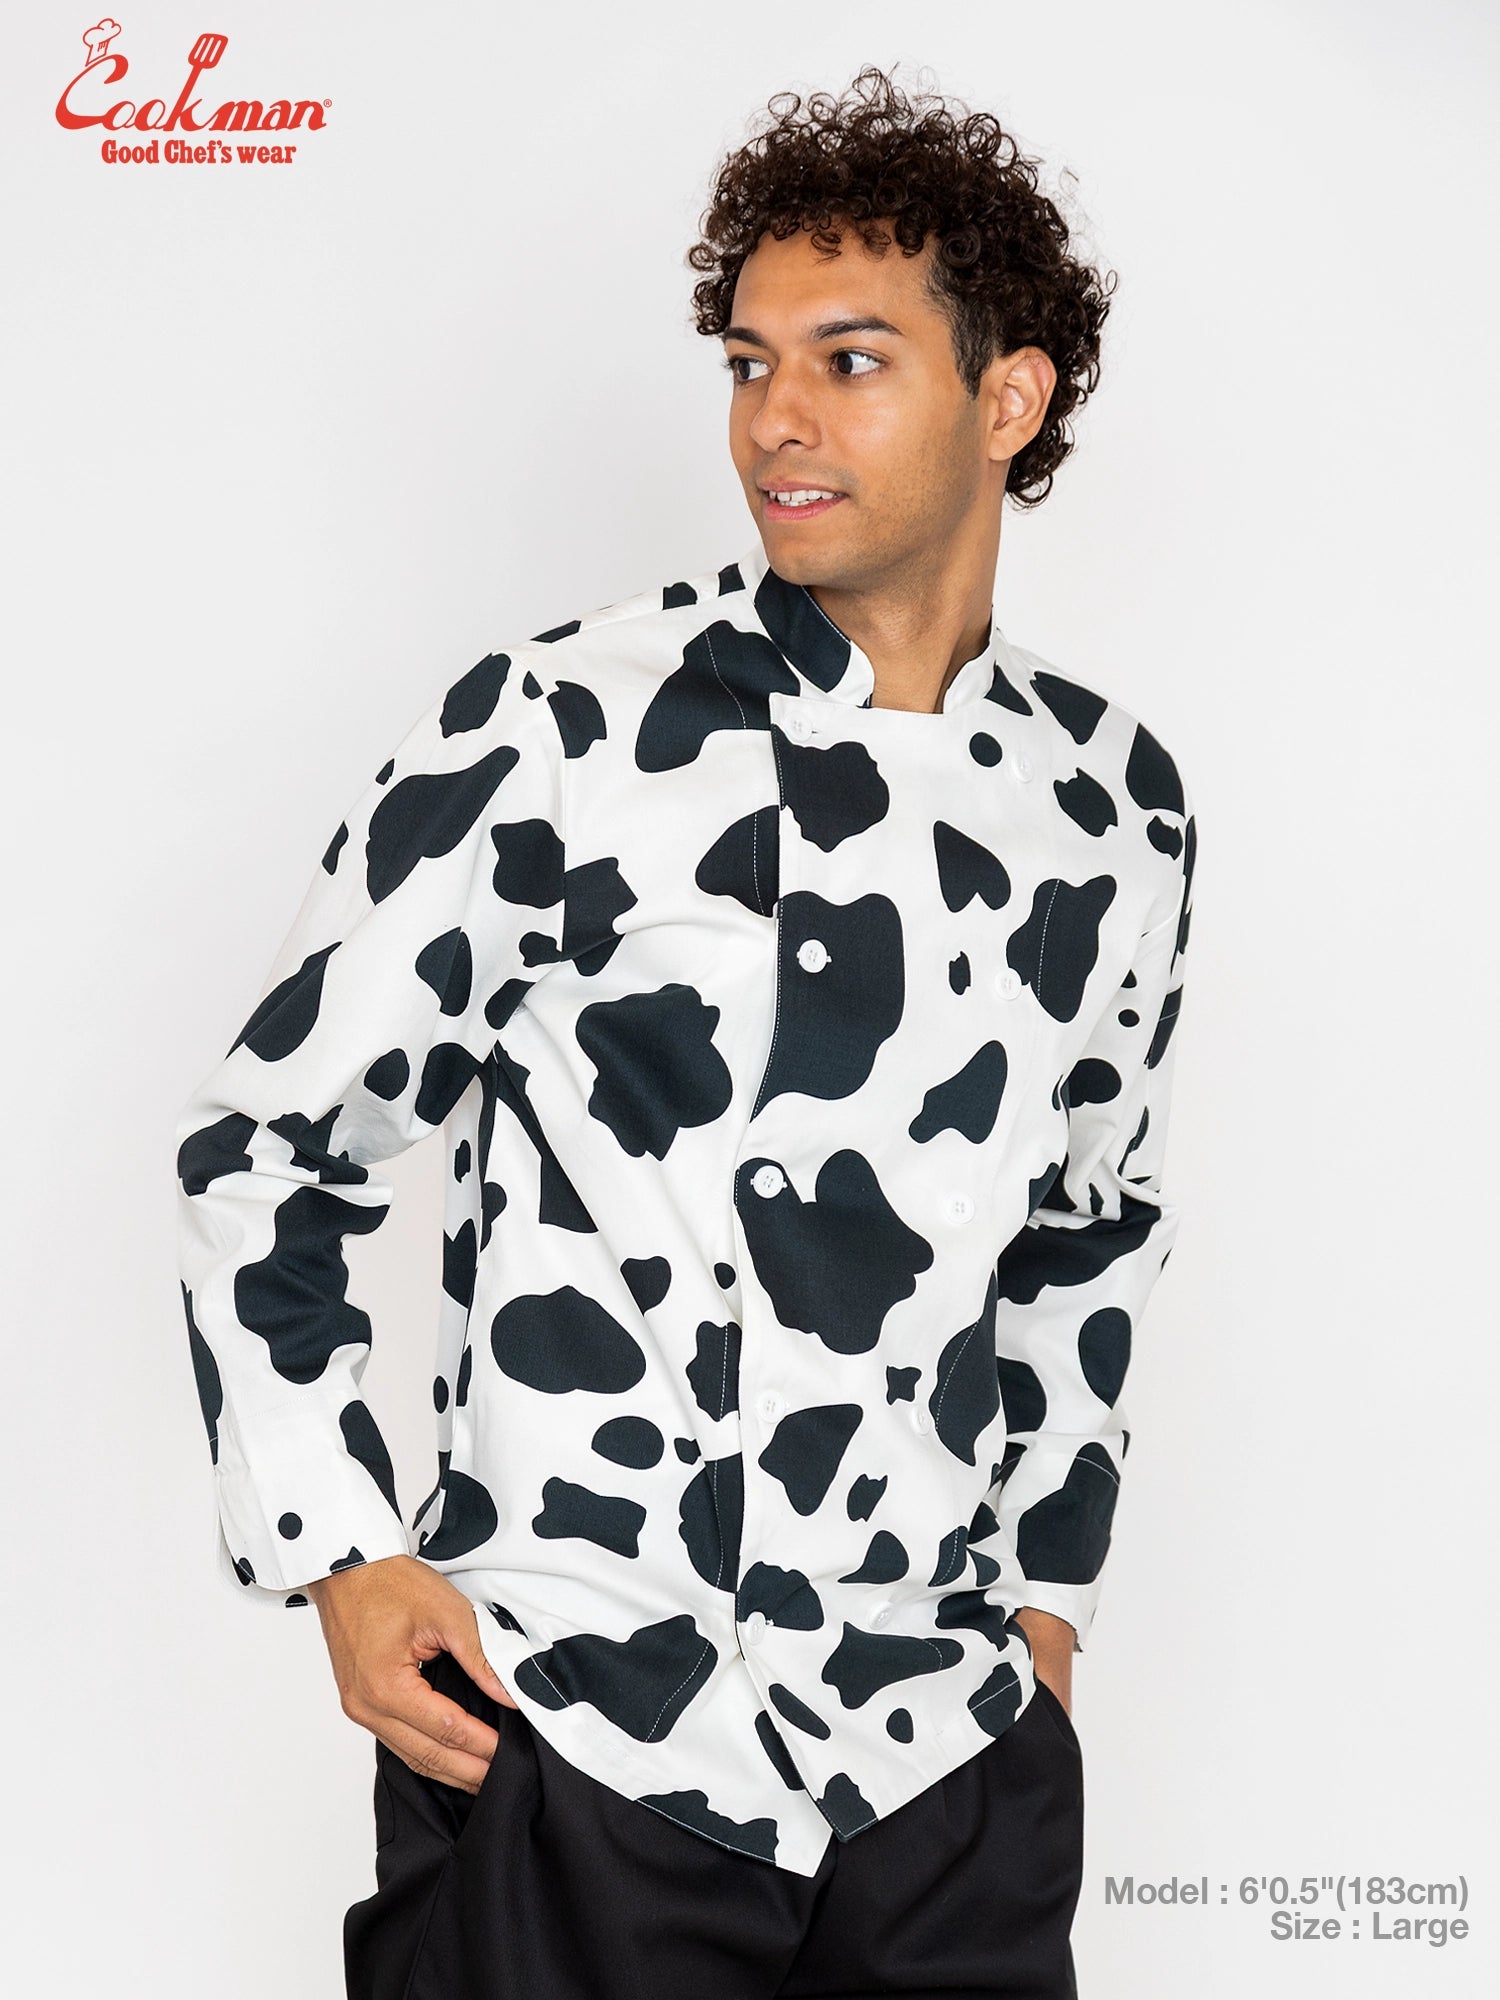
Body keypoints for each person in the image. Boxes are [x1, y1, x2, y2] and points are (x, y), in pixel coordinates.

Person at [174, 61, 1197, 2000]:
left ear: (1008, 397)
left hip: (939, 1772)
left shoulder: (1109, 806)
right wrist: (342, 1555)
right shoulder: (560, 731)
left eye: (849, 360)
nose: (774, 418)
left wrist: (1046, 1612)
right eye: (748, 361)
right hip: (583, 1740)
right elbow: (268, 1144)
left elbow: (1089, 1231)